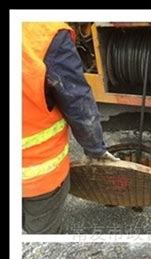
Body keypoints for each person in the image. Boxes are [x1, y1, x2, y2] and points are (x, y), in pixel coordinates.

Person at [22, 22, 117, 234]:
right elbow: (77, 102)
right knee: (43, 234)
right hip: (36, 175)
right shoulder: (45, 33)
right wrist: (96, 149)